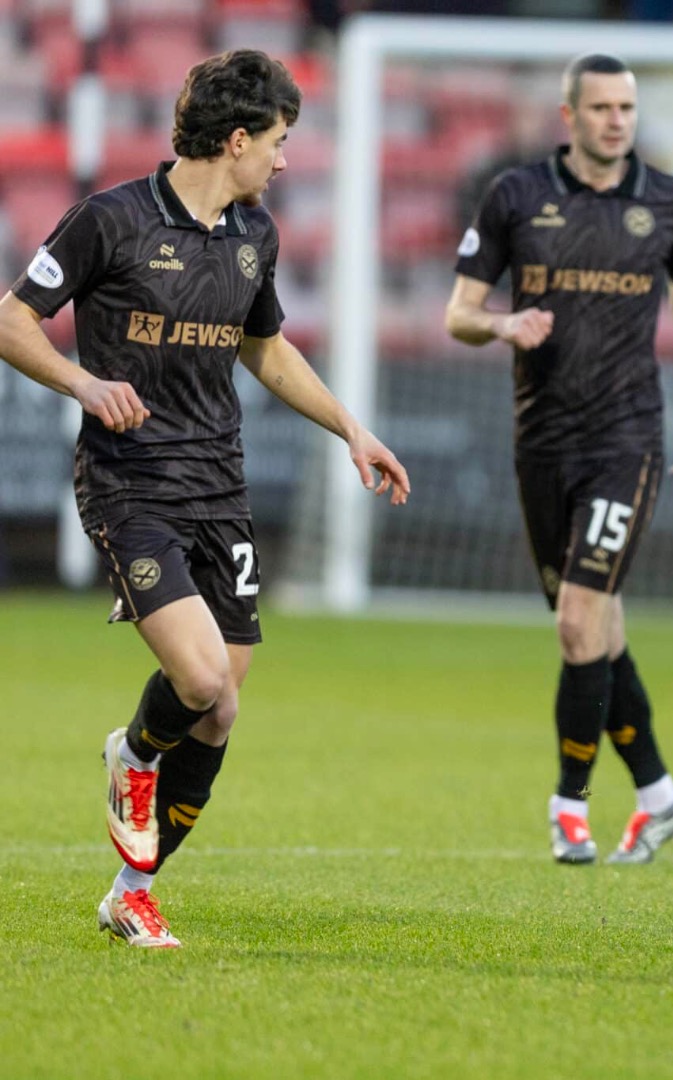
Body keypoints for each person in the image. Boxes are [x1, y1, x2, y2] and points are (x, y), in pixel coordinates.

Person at [0, 50, 411, 948]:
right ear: (236, 140)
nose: (285, 159)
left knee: (221, 709)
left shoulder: (254, 234)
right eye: (279, 140)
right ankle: (134, 752)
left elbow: (265, 349)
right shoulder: (109, 220)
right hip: (130, 483)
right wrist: (82, 383)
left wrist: (351, 428)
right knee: (198, 678)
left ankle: (131, 891)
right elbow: (10, 318)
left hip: (221, 486)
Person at [444, 54, 673, 866]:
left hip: (625, 439)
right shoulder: (515, 195)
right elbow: (459, 313)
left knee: (577, 622)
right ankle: (661, 799)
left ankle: (569, 806)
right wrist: (503, 325)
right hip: (541, 440)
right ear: (569, 116)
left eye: (626, 108)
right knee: (595, 628)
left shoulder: (667, 200)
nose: (616, 121)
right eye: (601, 108)